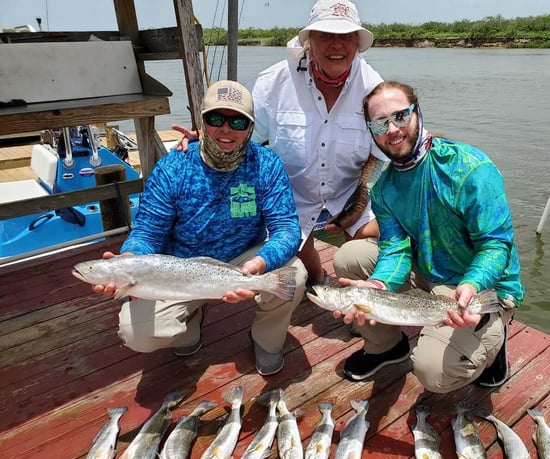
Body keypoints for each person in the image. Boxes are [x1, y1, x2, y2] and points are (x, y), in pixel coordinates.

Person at [91, 80, 307, 376]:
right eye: (215, 119)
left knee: (295, 276)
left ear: (251, 127)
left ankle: (266, 341)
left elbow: (286, 228)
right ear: (201, 121)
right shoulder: (172, 167)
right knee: (136, 334)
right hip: (181, 267)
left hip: (244, 260)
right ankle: (190, 325)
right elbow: (147, 232)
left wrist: (261, 262)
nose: (226, 129)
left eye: (238, 121)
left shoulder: (267, 164)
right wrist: (131, 258)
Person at [175, 0, 385, 288]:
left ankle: (354, 293)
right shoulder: (272, 82)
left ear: (358, 43)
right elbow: (238, 126)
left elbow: (384, 148)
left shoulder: (374, 87)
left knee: (361, 244)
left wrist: (358, 201)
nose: (337, 45)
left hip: (351, 186)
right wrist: (205, 137)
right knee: (294, 246)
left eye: (346, 36)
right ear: (309, 40)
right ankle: (317, 278)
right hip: (291, 189)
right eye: (325, 35)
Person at [331, 80, 525, 391]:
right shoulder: (384, 188)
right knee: (349, 257)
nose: (392, 129)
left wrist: (472, 283)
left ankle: (494, 338)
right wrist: (376, 286)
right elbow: (394, 249)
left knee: (433, 372)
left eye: (400, 116)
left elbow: (496, 246)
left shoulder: (471, 169)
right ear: (371, 130)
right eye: (380, 123)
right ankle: (386, 348)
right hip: (430, 268)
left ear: (418, 113)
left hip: (481, 285)